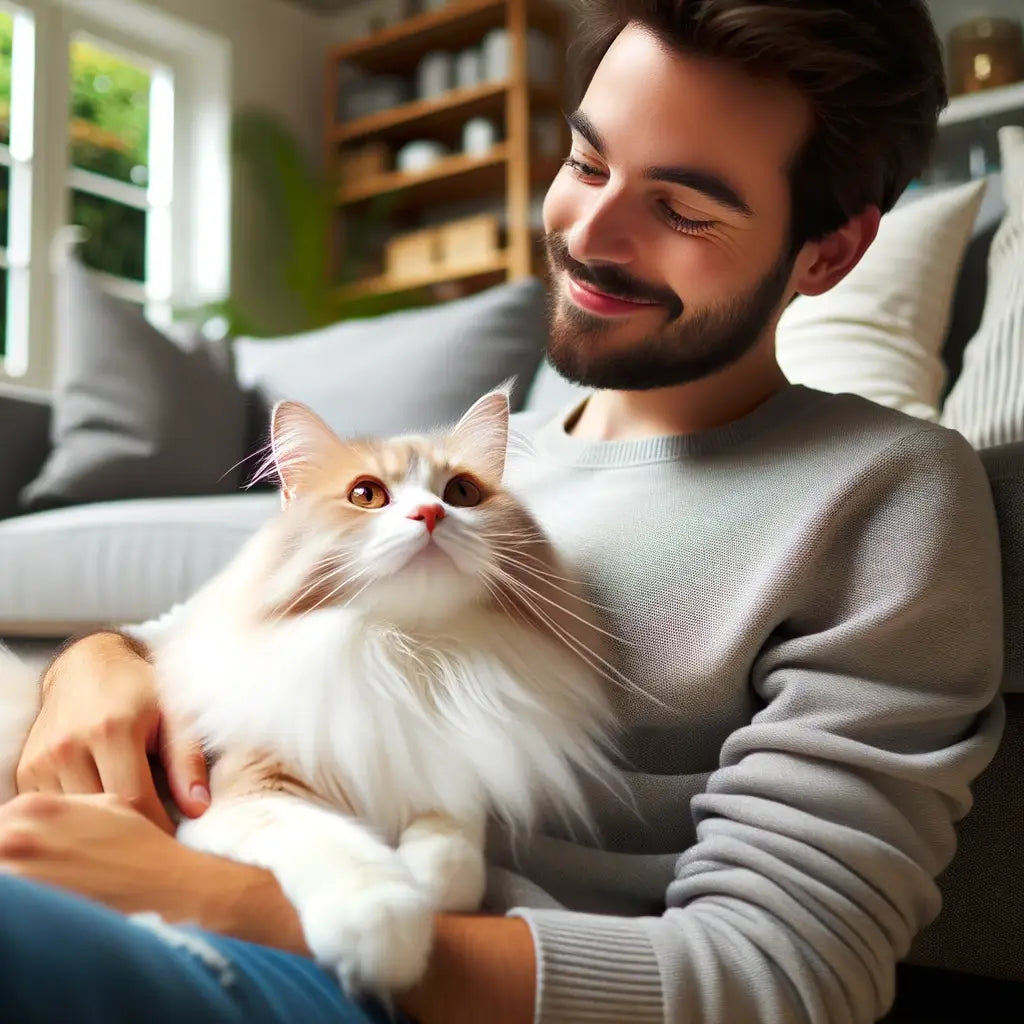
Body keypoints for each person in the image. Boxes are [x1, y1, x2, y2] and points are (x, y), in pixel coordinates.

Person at [0, 1, 1005, 1022]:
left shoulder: (884, 492)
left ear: (827, 253)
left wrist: (219, 899)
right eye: (585, 162)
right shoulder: (470, 463)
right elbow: (181, 639)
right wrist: (93, 664)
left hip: (352, 974)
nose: (588, 234)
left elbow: (786, 977)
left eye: (683, 209)